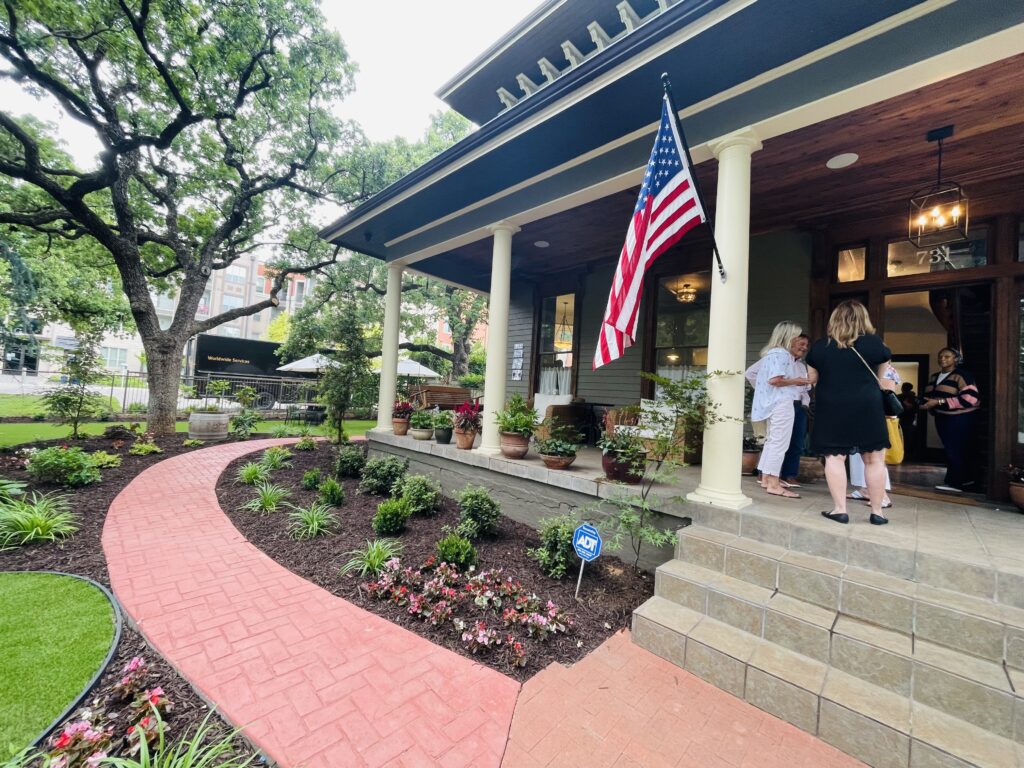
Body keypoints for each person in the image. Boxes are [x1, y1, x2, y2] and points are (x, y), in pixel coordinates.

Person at [806, 300, 894, 525]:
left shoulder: (819, 347)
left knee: (835, 457)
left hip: (832, 405)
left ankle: (840, 509)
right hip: (868, 405)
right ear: (863, 318)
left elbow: (812, 380)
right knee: (874, 459)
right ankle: (877, 512)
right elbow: (883, 377)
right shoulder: (875, 344)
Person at [749, 321, 809, 499]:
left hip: (773, 403)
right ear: (788, 336)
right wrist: (797, 381)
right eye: (796, 336)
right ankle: (774, 483)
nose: (798, 340)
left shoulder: (771, 354)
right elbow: (775, 380)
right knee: (779, 444)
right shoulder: (782, 355)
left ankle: (767, 478)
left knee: (772, 441)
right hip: (782, 402)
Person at [920, 347, 980, 492]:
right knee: (949, 449)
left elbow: (971, 398)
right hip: (942, 417)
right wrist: (926, 404)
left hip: (960, 418)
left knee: (956, 449)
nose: (943, 359)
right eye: (940, 356)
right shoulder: (934, 377)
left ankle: (956, 483)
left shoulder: (962, 375)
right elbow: (931, 396)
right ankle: (957, 480)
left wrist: (939, 402)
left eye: (947, 356)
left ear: (956, 359)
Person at [848, 363, 900, 509]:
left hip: (874, 417)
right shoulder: (865, 366)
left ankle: (882, 495)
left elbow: (887, 393)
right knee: (859, 456)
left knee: (874, 458)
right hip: (861, 415)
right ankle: (865, 489)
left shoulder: (886, 369)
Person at [780, 334, 811, 485]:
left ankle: (789, 474)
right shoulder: (779, 360)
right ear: (791, 342)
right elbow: (752, 374)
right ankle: (766, 474)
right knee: (778, 440)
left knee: (797, 442)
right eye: (801, 344)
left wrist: (805, 404)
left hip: (799, 406)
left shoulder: (801, 366)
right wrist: (767, 396)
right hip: (783, 404)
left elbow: (805, 389)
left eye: (806, 345)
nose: (804, 348)